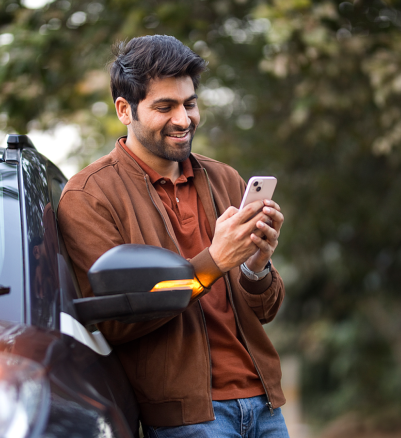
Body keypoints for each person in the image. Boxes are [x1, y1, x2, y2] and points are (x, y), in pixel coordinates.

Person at [57, 35, 288, 438]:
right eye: (165, 107)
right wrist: (214, 261)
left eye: (190, 104)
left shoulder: (225, 178)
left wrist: (255, 266)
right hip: (189, 420)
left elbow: (266, 310)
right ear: (124, 110)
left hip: (264, 407)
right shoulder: (88, 196)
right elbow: (114, 321)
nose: (183, 119)